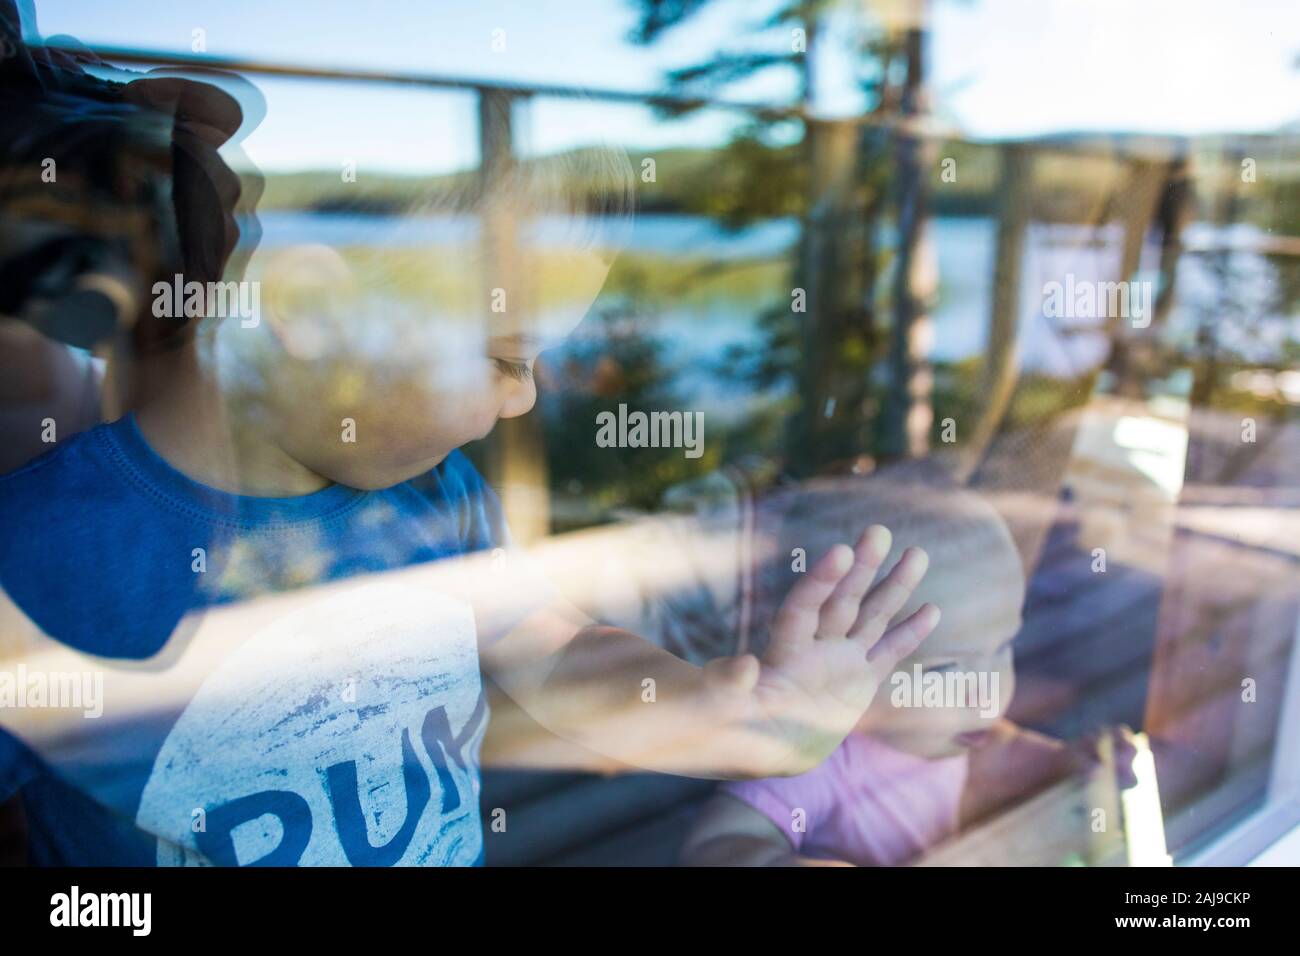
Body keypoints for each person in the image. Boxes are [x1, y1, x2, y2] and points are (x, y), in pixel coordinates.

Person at [0, 4, 940, 865]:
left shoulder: (438, 496)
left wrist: (731, 714)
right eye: (503, 358)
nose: (526, 400)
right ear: (311, 312)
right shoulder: (35, 557)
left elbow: (556, 653)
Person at [680, 471, 1121, 866]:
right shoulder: (822, 757)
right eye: (945, 669)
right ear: (833, 665)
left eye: (1004, 645)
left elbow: (1006, 756)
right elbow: (719, 841)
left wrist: (1075, 764)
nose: (988, 692)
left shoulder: (964, 728)